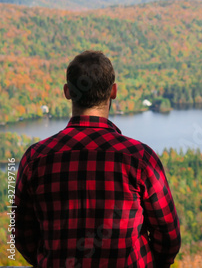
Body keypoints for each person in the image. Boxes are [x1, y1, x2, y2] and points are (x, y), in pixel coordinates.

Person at [13, 50, 181, 267]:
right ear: (113, 91)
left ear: (67, 92)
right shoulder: (140, 159)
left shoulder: (35, 159)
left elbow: (22, 234)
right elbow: (168, 236)